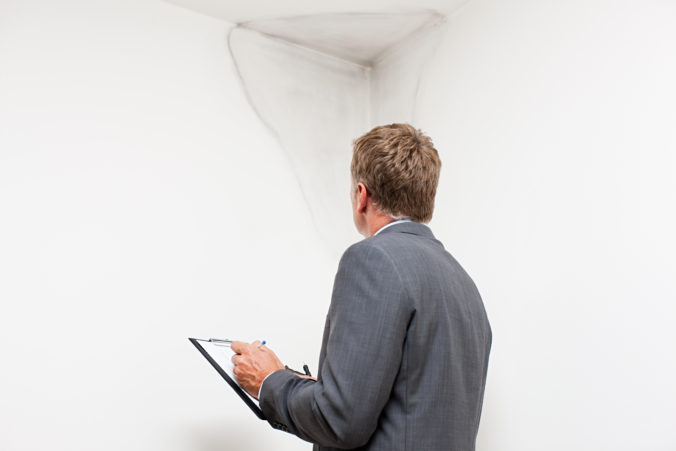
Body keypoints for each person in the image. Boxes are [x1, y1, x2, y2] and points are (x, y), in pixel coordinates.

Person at [231, 123, 492, 451]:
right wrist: (316, 389)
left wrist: (269, 381)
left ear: (362, 195)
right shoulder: (464, 285)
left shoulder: (372, 259)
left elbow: (339, 421)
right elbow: (409, 403)